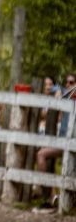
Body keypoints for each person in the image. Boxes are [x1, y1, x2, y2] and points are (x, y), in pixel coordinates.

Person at [34, 72, 76, 202]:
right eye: (67, 82)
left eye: (71, 82)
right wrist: (57, 90)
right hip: (63, 142)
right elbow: (52, 88)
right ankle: (51, 195)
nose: (68, 84)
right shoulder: (65, 95)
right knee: (41, 154)